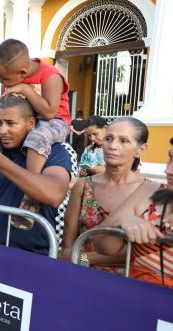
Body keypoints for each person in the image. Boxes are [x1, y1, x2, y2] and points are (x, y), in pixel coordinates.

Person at [0, 39, 71, 231]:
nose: (3, 83)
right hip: (26, 120)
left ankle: (30, 196)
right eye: (0, 79)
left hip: (53, 122)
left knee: (36, 139)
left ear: (22, 74)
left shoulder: (51, 75)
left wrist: (26, 90)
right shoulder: (11, 76)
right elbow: (6, 106)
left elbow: (50, 112)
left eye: (5, 79)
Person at [0, 95, 72, 255]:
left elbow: (54, 195)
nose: (2, 130)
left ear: (30, 123)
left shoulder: (54, 151)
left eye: (11, 123)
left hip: (32, 255)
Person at [60, 117, 151, 272]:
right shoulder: (83, 186)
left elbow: (143, 254)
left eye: (123, 140)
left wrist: (86, 257)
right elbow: (67, 250)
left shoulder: (150, 192)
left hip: (132, 283)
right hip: (83, 276)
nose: (112, 146)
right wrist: (82, 260)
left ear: (140, 150)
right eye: (109, 138)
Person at [93, 138, 173, 288]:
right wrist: (122, 221)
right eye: (170, 158)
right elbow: (102, 246)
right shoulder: (150, 192)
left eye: (124, 140)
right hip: (133, 299)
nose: (168, 170)